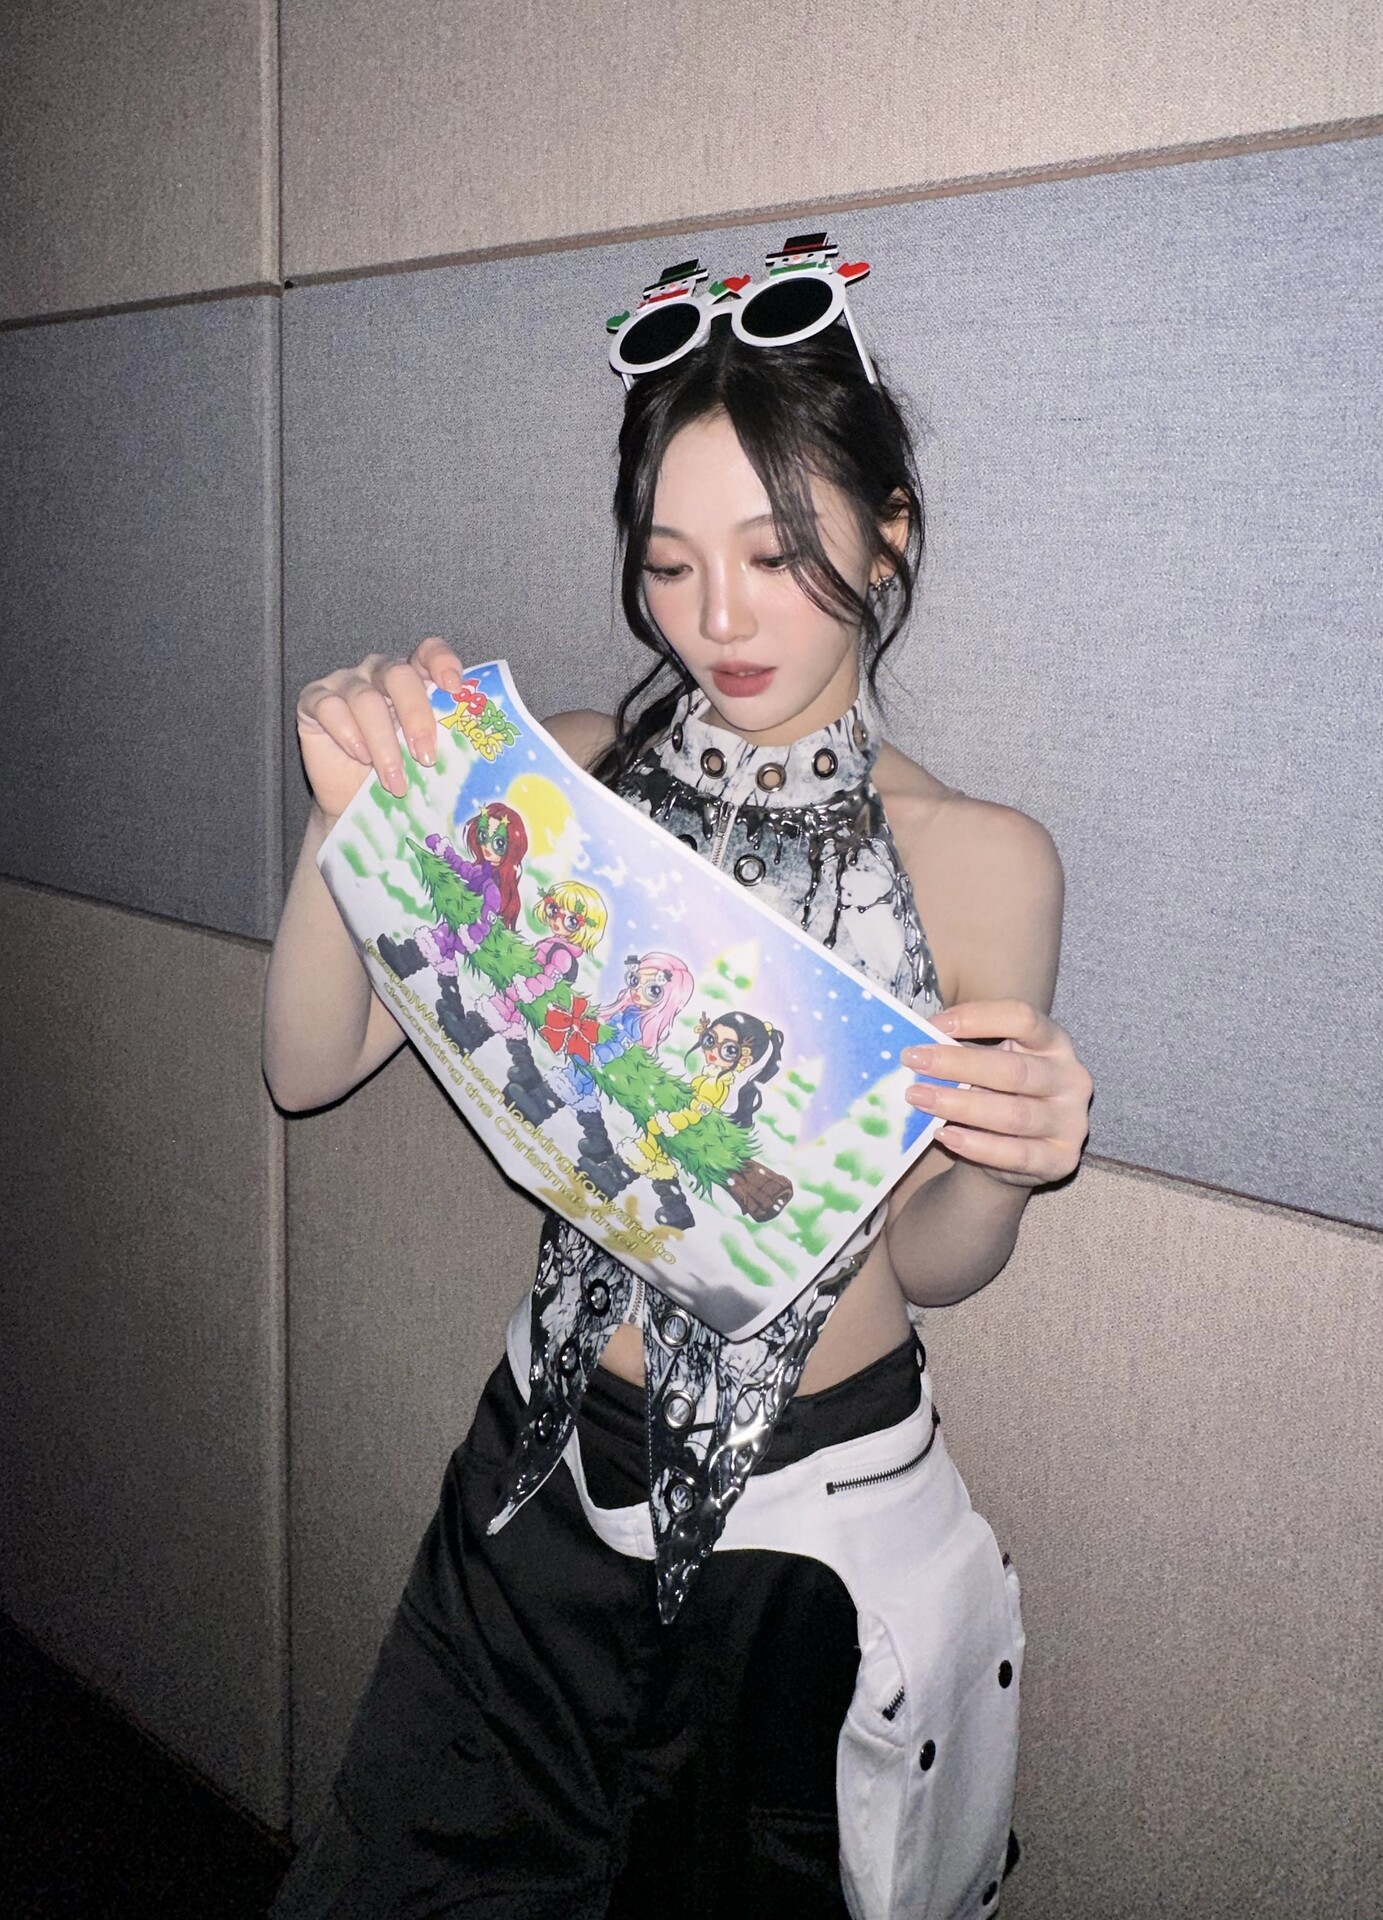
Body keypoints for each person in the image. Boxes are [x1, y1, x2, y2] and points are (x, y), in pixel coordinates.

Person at [263, 232, 1093, 1920]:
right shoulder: (565, 785)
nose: (719, 619)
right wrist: (354, 814)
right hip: (532, 1480)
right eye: (669, 563)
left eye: (779, 554)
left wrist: (1005, 1162)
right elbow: (305, 1063)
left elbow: (933, 1258)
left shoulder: (979, 861)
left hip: (804, 1538)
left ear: (889, 531)